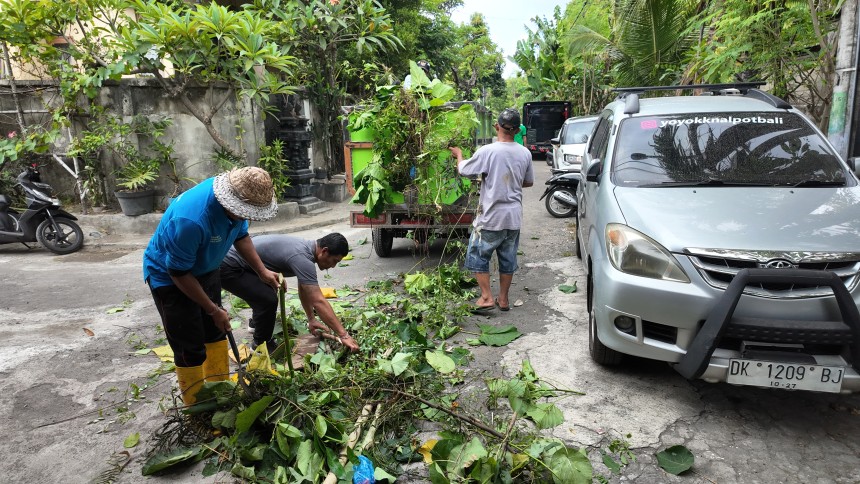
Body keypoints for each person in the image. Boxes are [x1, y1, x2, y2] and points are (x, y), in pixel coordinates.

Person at [143, 166, 282, 405]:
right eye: (244, 212)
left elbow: (241, 236)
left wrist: (262, 272)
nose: (245, 216)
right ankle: (197, 406)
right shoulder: (191, 220)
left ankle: (220, 393)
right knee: (190, 346)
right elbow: (177, 272)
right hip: (171, 279)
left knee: (216, 331)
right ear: (229, 203)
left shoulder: (236, 202)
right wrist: (212, 309)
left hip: (207, 269)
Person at [448, 108, 534, 312]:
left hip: (491, 217)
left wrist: (458, 154)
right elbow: (528, 182)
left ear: (497, 127)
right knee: (508, 258)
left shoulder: (488, 151)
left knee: (478, 256)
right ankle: (503, 299)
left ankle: (486, 297)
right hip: (513, 218)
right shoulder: (525, 153)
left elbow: (464, 170)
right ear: (517, 130)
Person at [220, 233, 360, 353]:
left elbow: (304, 289)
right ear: (324, 251)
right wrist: (344, 335)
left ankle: (257, 325)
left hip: (244, 264)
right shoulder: (303, 258)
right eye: (334, 261)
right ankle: (260, 345)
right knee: (267, 299)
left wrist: (311, 319)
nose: (333, 266)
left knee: (267, 290)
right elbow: (318, 301)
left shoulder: (307, 250)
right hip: (228, 265)